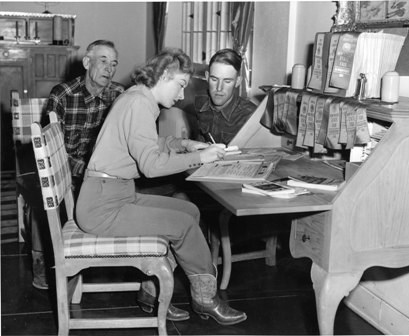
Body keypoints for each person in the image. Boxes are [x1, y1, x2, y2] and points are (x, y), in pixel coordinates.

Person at [76, 48, 247, 325]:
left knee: (188, 211)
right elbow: (151, 166)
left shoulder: (138, 98)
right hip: (102, 206)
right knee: (184, 225)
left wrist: (186, 145)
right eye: (180, 85)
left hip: (114, 194)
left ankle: (152, 291)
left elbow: (147, 145)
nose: (181, 95)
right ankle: (206, 299)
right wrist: (201, 157)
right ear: (165, 75)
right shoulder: (138, 103)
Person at [31, 40, 124, 290]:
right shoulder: (62, 94)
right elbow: (52, 150)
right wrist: (80, 169)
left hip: (101, 174)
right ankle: (41, 260)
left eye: (114, 63)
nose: (109, 68)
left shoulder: (119, 95)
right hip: (65, 169)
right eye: (103, 61)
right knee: (44, 197)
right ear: (87, 62)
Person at [195, 48, 257, 144]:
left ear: (237, 82)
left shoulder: (250, 116)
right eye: (214, 79)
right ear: (207, 77)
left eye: (227, 81)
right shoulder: (199, 104)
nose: (219, 88)